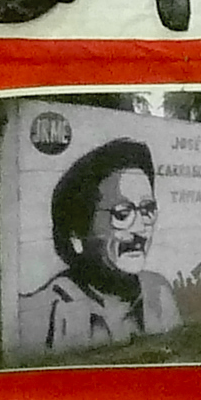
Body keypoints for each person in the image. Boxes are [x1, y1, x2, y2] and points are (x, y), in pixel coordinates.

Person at [10, 134, 181, 356]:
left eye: (147, 210)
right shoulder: (43, 312)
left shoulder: (158, 292)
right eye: (123, 213)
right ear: (77, 235)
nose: (141, 230)